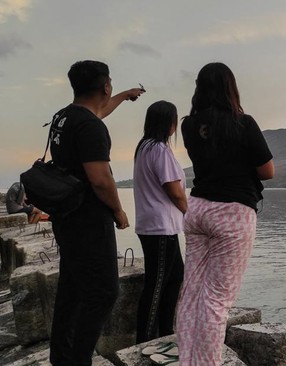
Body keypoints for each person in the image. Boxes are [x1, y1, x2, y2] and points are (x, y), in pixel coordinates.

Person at [175, 62, 274, 365]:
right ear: (231, 87)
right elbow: (267, 171)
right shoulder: (243, 123)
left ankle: (187, 360)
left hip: (198, 208)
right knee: (217, 300)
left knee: (191, 292)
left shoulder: (188, 125)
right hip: (232, 213)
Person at [48, 60, 145, 366]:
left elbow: (99, 110)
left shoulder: (64, 117)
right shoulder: (91, 127)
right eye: (112, 85)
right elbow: (101, 179)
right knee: (104, 292)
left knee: (72, 287)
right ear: (105, 86)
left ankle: (61, 357)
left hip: (66, 217)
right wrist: (118, 210)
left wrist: (126, 95)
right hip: (88, 221)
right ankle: (79, 360)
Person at [133, 101, 186, 343]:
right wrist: (191, 213)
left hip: (154, 225)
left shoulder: (144, 146)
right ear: (169, 123)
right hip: (160, 227)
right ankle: (144, 341)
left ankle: (166, 333)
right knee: (157, 284)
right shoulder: (160, 150)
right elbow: (174, 190)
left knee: (175, 277)